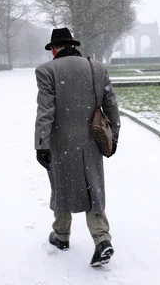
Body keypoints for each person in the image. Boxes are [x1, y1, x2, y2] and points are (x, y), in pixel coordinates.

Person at [34, 27, 120, 267]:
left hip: (60, 141)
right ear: (73, 45)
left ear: (54, 48)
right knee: (94, 187)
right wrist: (114, 135)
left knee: (61, 185)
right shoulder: (97, 69)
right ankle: (102, 239)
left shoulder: (46, 71)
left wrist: (41, 144)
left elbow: (46, 110)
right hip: (91, 140)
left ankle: (61, 235)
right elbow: (111, 105)